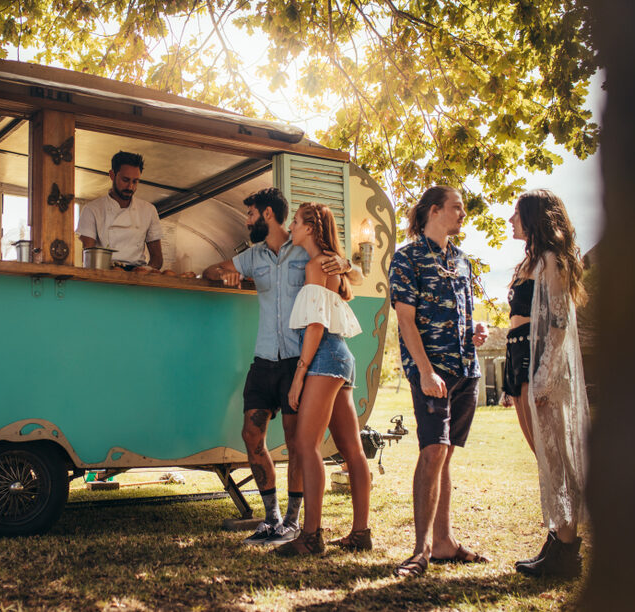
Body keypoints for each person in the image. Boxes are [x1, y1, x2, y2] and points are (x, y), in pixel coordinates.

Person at [203, 188, 359, 546]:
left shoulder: (304, 249)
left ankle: (293, 520)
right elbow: (212, 269)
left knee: (296, 443)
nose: (247, 221)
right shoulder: (252, 256)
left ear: (268, 214)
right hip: (263, 359)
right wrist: (221, 275)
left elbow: (342, 267)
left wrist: (349, 264)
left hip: (297, 360)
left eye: (251, 214)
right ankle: (271, 518)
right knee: (251, 435)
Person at [388, 185, 489, 579]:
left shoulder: (462, 260)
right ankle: (420, 550)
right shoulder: (407, 257)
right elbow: (405, 319)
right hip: (433, 371)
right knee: (432, 451)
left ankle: (445, 542)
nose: (462, 214)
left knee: (445, 453)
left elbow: (464, 313)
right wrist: (426, 371)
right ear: (434, 211)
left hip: (467, 370)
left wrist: (476, 332)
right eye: (456, 208)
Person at [274, 203, 371, 556]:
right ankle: (361, 533)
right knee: (352, 449)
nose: (291, 226)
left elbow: (315, 323)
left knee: (305, 443)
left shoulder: (318, 264)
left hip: (323, 357)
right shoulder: (330, 263)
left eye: (296, 222)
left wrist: (300, 374)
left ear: (311, 228)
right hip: (340, 357)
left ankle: (311, 536)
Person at [503, 189, 589, 578]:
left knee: (555, 455)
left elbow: (557, 325)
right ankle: (557, 537)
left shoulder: (553, 261)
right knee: (543, 456)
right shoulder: (531, 262)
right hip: (520, 357)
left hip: (541, 363)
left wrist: (544, 377)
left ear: (534, 217)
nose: (510, 222)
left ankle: (568, 549)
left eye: (516, 215)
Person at [77, 151, 163, 270]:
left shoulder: (149, 210)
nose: (130, 187)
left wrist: (145, 271)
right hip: (105, 274)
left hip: (138, 275)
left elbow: (157, 259)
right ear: (112, 175)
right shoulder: (92, 209)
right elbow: (87, 257)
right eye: (125, 180)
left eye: (135, 181)